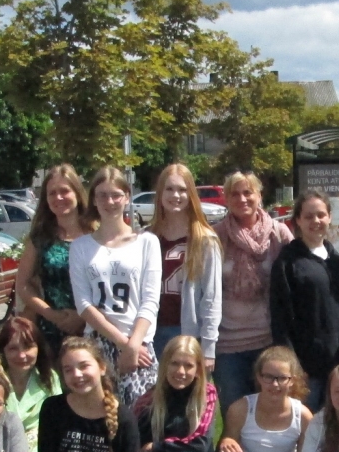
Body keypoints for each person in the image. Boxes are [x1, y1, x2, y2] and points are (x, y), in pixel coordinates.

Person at [70, 166, 163, 404]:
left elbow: (150, 300)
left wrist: (132, 346)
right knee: (101, 419)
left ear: (127, 197)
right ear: (94, 199)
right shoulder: (80, 246)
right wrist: (121, 343)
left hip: (139, 343)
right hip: (98, 343)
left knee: (140, 420)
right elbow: (83, 304)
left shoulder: (146, 242)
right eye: (102, 195)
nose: (109, 201)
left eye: (115, 195)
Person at [212, 171, 293, 407]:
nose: (242, 199)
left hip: (269, 342)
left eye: (248, 192)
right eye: (235, 194)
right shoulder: (216, 237)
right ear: (226, 199)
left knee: (272, 415)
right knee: (235, 417)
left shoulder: (279, 234)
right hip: (228, 347)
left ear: (259, 195)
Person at [38, 336, 143, 452]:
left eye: (84, 366)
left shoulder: (124, 417)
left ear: (102, 367)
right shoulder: (53, 409)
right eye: (68, 370)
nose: (77, 375)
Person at [270, 190, 339, 407]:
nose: (316, 221)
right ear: (298, 220)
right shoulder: (288, 262)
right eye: (308, 216)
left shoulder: (336, 259)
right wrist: (292, 366)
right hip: (306, 371)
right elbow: (280, 319)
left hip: (338, 367)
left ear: (329, 217)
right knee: (306, 432)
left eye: (321, 215)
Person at [145, 163, 222, 366]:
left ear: (191, 195)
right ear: (160, 193)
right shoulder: (146, 237)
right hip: (149, 334)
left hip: (186, 334)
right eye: (169, 189)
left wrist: (208, 348)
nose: (175, 195)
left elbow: (211, 298)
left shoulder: (205, 239)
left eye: (182, 189)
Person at [16, 164, 91, 354]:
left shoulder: (96, 233)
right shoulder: (41, 237)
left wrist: (83, 318)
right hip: (51, 331)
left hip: (93, 329)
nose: (58, 198)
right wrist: (52, 315)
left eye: (64, 191)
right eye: (52, 193)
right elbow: (23, 284)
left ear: (77, 193)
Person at [133, 335, 219, 452]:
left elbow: (200, 444)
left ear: (198, 370)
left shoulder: (206, 394)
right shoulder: (149, 399)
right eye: (175, 363)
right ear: (164, 365)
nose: (181, 371)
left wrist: (157, 446)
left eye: (188, 366)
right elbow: (139, 447)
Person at [217, 346, 312, 452]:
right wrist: (227, 441)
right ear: (259, 377)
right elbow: (229, 440)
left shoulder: (303, 416)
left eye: (281, 378)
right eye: (268, 377)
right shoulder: (240, 409)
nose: (275, 384)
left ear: (292, 380)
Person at [0, 316, 62, 452]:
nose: (21, 355)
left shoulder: (50, 378)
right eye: (13, 348)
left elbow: (57, 424)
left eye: (27, 346)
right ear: (3, 350)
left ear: (38, 347)